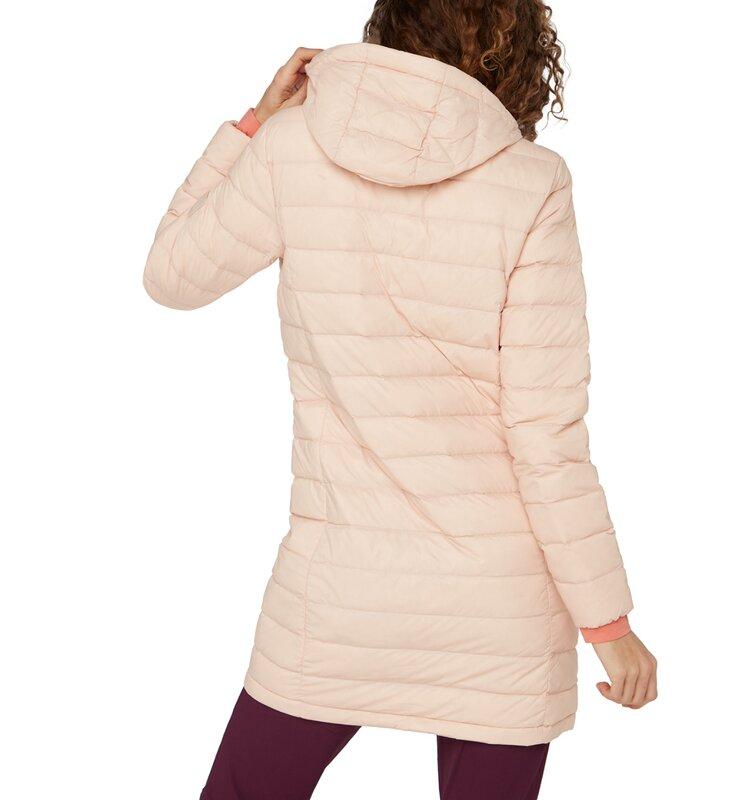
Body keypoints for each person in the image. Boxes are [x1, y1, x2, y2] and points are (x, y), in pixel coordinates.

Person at [143, 2, 657, 797]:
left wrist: (254, 125)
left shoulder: (292, 148)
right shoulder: (532, 184)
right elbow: (545, 436)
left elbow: (171, 275)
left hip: (338, 596)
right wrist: (607, 624)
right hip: (499, 613)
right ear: (516, 50)